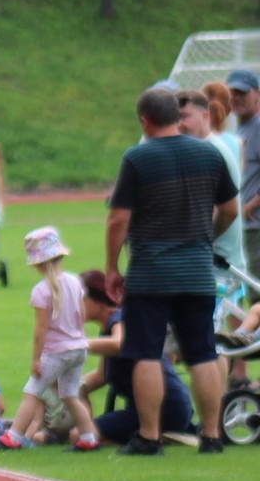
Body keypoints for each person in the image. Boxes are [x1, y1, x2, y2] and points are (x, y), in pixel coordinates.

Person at [104, 86, 238, 455]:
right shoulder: (209, 153)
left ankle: (149, 436)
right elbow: (230, 209)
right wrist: (207, 237)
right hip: (197, 272)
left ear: (145, 120)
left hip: (151, 274)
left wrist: (112, 266)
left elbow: (118, 219)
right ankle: (211, 436)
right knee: (203, 353)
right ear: (177, 117)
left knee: (146, 353)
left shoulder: (138, 158)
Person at [0, 227, 100, 450]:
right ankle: (89, 438)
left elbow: (41, 329)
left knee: (32, 392)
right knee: (70, 396)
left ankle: (13, 437)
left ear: (38, 264)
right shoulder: (75, 281)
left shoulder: (41, 290)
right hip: (78, 348)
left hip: (56, 351)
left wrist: (36, 359)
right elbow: (81, 315)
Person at [78, 269, 196, 444]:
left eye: (80, 299)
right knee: (83, 432)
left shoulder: (119, 318)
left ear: (98, 299)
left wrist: (76, 344)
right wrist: (69, 388)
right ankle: (164, 435)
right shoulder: (111, 325)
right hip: (163, 408)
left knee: (82, 435)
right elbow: (101, 376)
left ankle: (158, 436)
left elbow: (119, 344)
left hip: (165, 410)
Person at [181, 87, 246, 297]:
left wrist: (201, 242)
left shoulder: (209, 152)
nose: (180, 123)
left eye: (185, 117)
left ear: (205, 115)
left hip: (216, 267)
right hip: (213, 265)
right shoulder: (205, 148)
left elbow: (227, 210)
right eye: (175, 118)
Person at [228, 68, 260, 275]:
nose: (237, 98)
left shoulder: (258, 126)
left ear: (257, 94)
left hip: (256, 225)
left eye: (243, 92)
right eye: (233, 93)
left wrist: (252, 204)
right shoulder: (242, 128)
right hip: (245, 226)